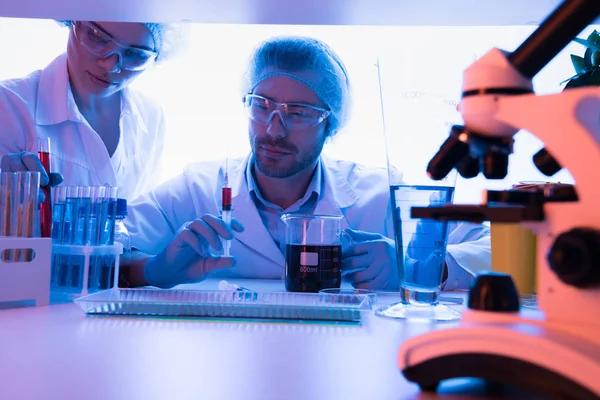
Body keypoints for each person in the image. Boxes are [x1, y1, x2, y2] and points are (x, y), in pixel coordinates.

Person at [123, 35, 490, 290]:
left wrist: (423, 267)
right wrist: (150, 269)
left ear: (331, 125)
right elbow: (106, 243)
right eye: (261, 105)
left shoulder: (378, 194)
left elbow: (496, 245)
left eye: (298, 113)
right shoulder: (197, 188)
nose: (274, 128)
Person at [0, 20, 186, 201]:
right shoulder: (8, 104)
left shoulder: (151, 116)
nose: (110, 66)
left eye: (134, 54)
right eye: (97, 36)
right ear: (72, 21)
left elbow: (143, 219)